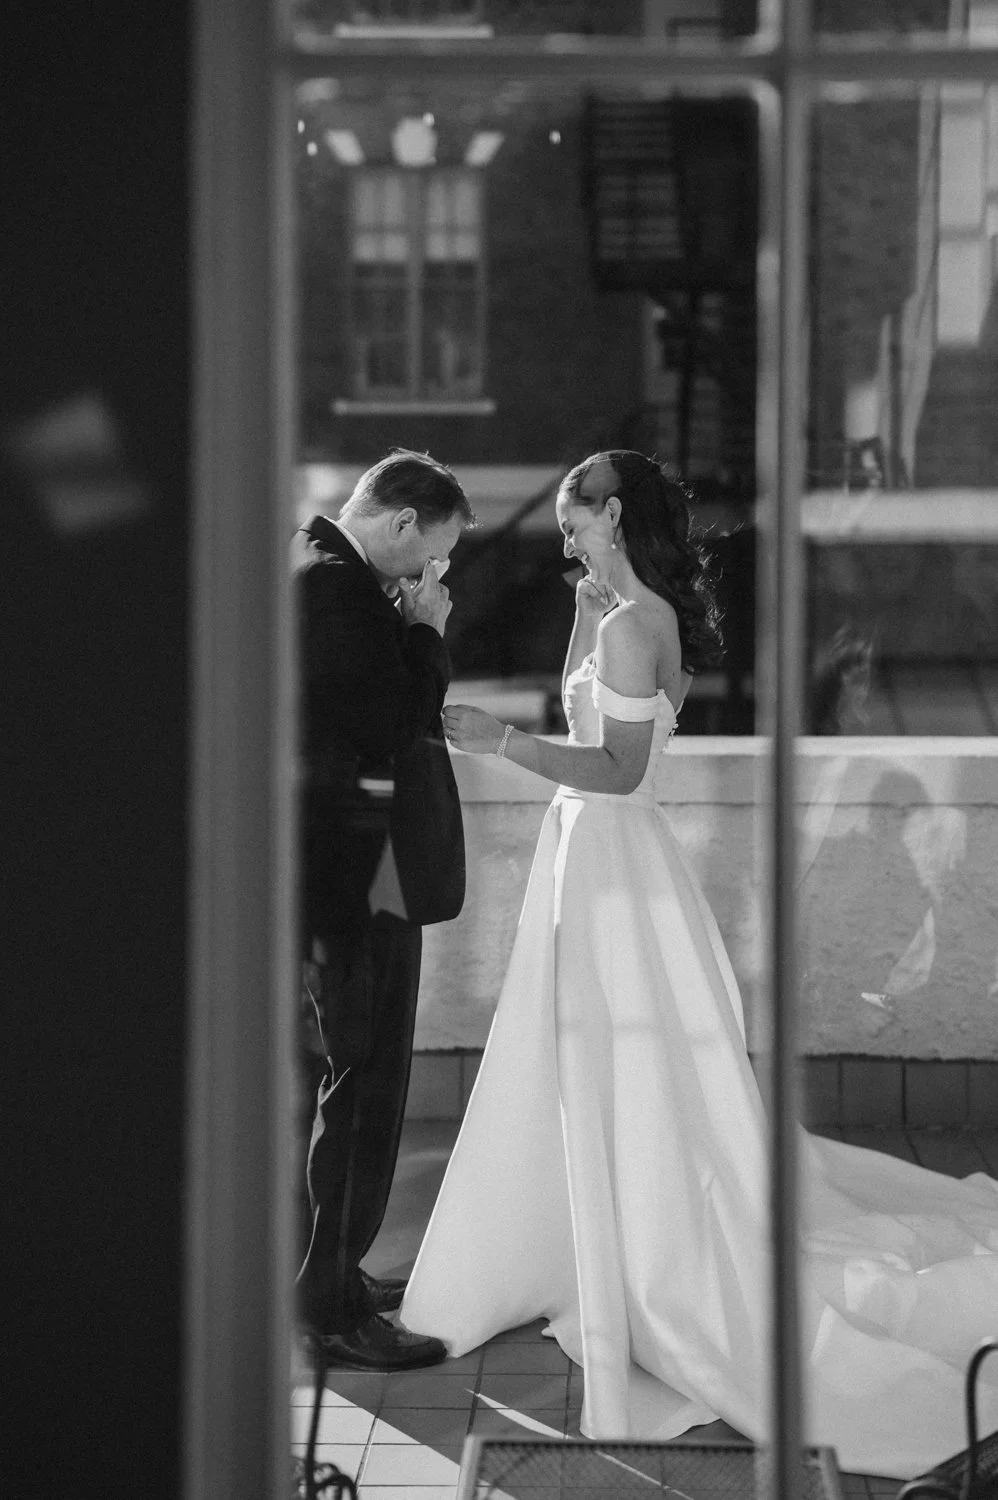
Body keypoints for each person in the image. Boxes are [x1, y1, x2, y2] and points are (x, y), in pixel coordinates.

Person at [398, 449, 998, 1480]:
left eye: (574, 520)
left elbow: (617, 768)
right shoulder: (615, 614)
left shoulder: (644, 626)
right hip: (582, 853)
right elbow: (588, 714)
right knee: (572, 1056)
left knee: (621, 1062)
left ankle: (645, 1242)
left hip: (612, 857)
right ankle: (562, 1231)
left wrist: (499, 741)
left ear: (613, 513)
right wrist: (586, 612)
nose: (564, 535)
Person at [292, 447, 474, 1370]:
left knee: (344, 1087)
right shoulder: (339, 593)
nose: (433, 575)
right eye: (433, 554)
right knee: (362, 1094)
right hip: (355, 884)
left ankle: (331, 1275)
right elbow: (395, 722)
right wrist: (428, 632)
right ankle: (330, 1308)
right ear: (402, 522)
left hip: (342, 876)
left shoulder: (315, 568)